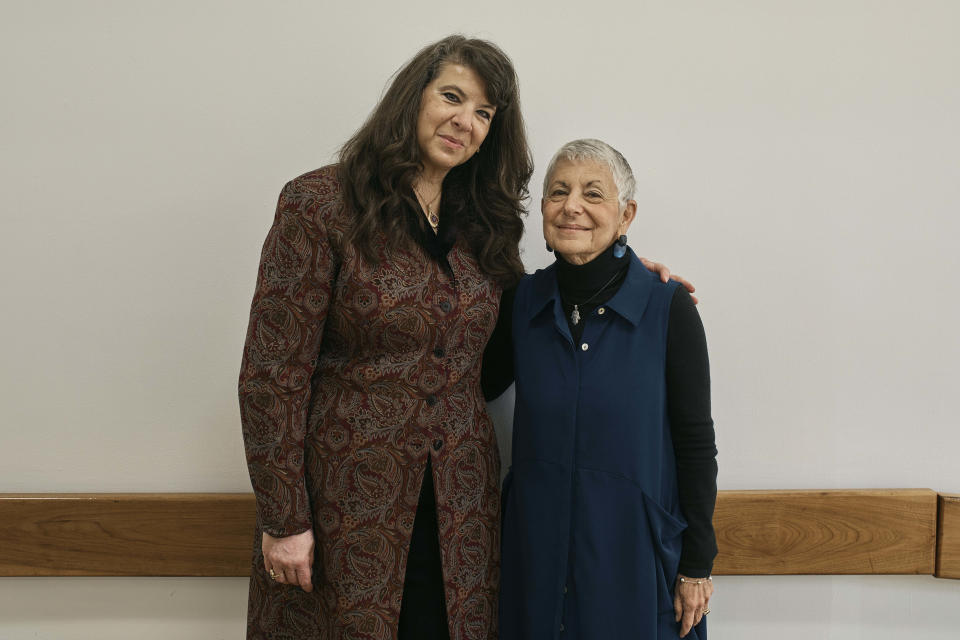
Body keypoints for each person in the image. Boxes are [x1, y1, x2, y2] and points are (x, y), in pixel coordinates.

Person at [239, 36, 686, 640]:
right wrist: (284, 517)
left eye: (483, 113)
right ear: (412, 98)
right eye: (452, 97)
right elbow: (272, 373)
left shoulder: (485, 221)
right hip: (343, 503)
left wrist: (624, 273)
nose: (465, 121)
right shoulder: (319, 203)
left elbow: (512, 341)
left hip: (461, 509)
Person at [498, 139, 717, 640]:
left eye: (592, 193)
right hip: (536, 561)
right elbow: (475, 382)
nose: (572, 205)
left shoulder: (667, 308)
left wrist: (698, 565)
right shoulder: (519, 303)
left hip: (636, 562)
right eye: (558, 192)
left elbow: (696, 444)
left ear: (625, 215)